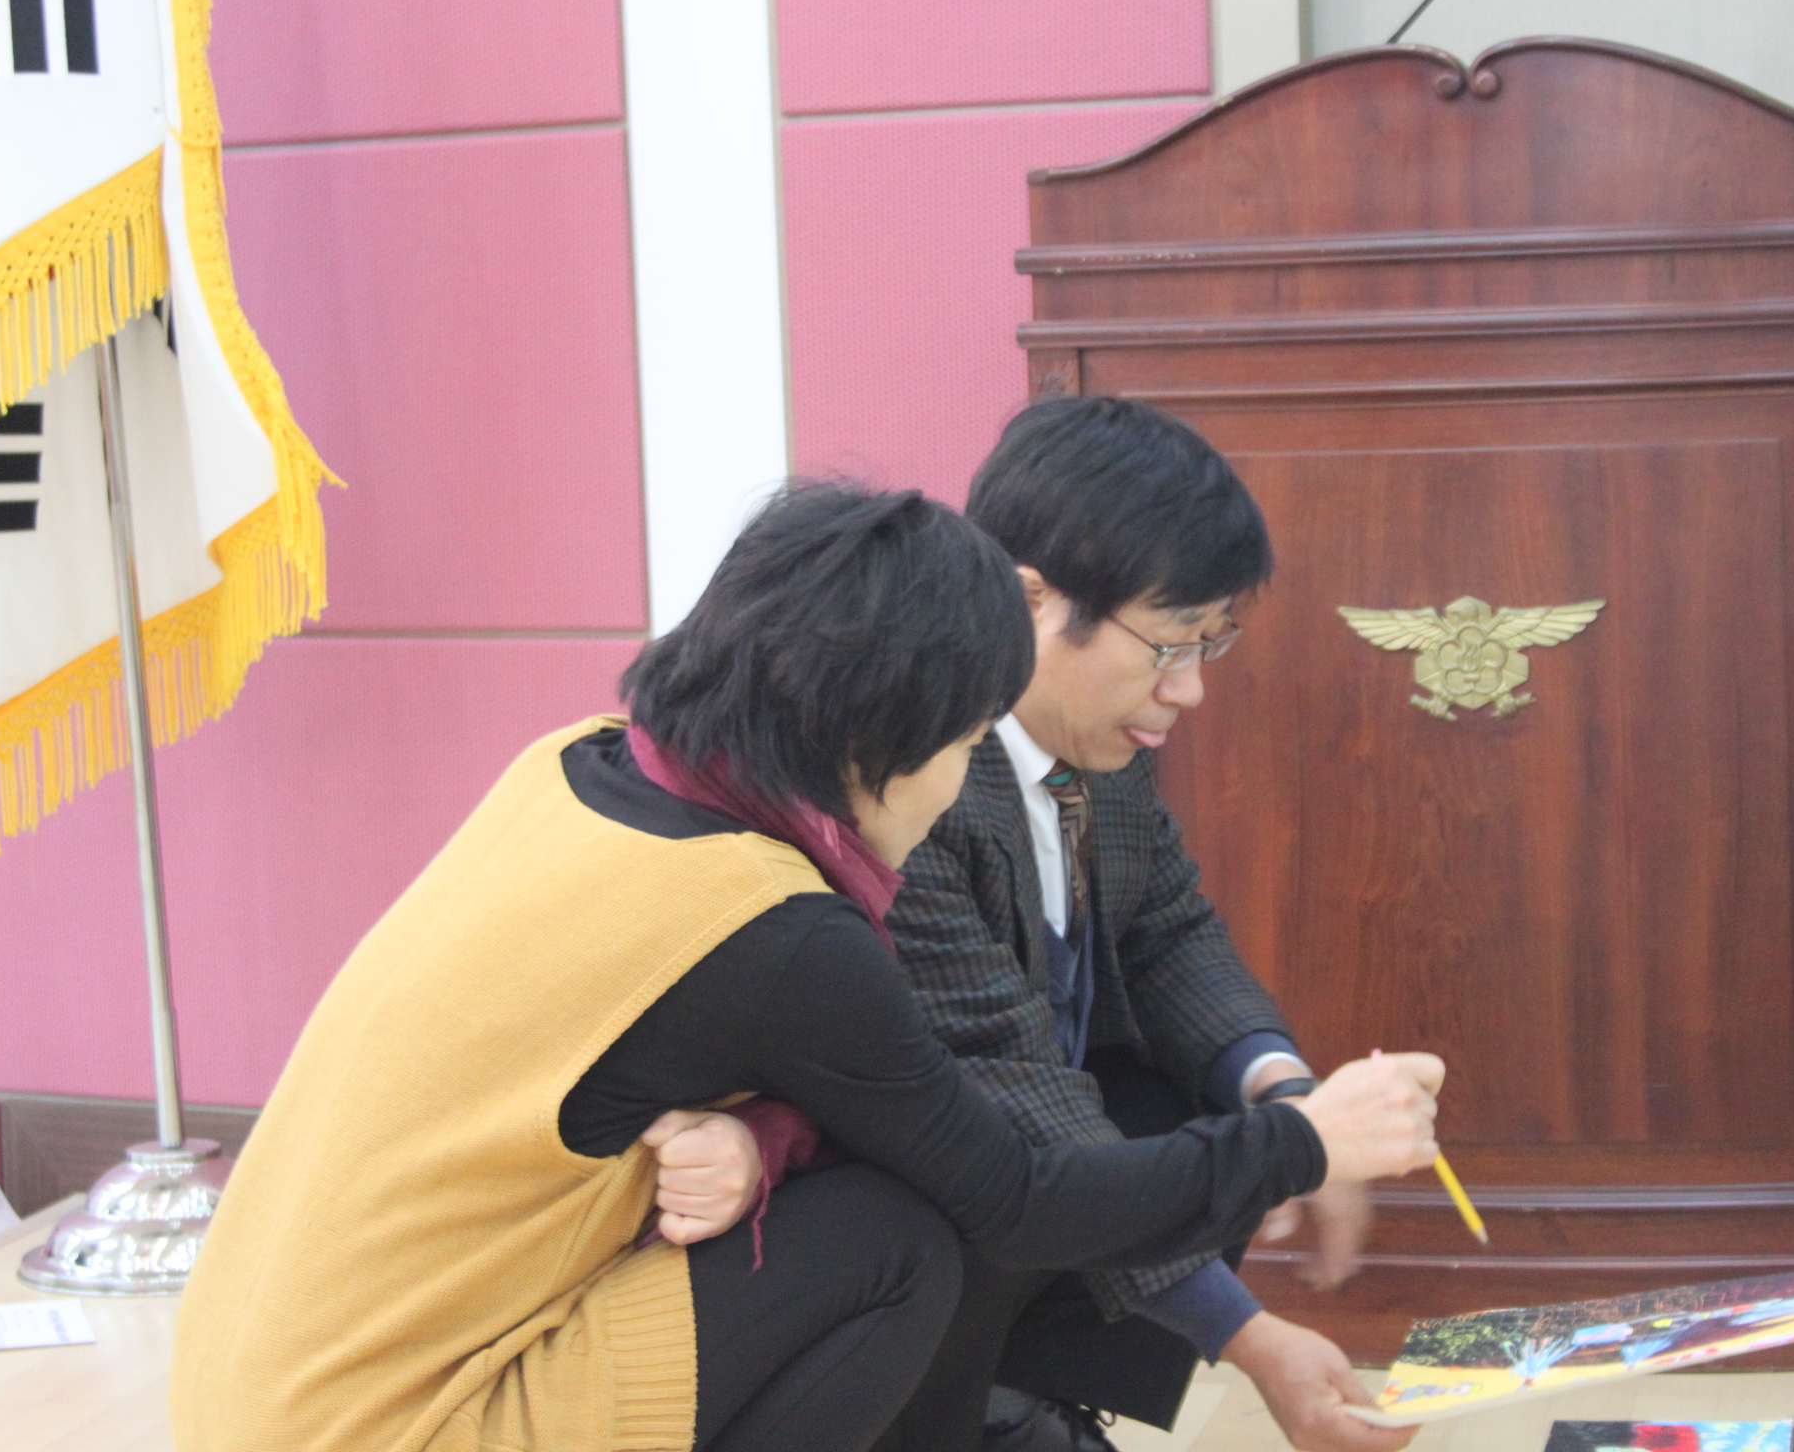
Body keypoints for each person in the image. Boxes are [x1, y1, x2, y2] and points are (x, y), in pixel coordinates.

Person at [168, 482, 1441, 1452]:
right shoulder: (771, 922)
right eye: (960, 743)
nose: (956, 786)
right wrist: (1303, 1141)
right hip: (401, 1420)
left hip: (257, 1388)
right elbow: (1020, 1195)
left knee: (921, 1174)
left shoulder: (578, 762)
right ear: (878, 732)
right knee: (902, 1239)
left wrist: (753, 1131)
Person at [681, 403, 1447, 1452]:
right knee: (1068, 1165)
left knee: (1199, 1093)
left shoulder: (1100, 742)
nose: (1191, 687)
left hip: (999, 1169)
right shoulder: (907, 781)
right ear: (1028, 598)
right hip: (872, 1205)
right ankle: (957, 1410)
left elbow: (1172, 932)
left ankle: (1019, 1389)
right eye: (1169, 643)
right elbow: (1017, 1110)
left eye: (1210, 642)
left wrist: (1284, 1090)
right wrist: (1256, 1334)